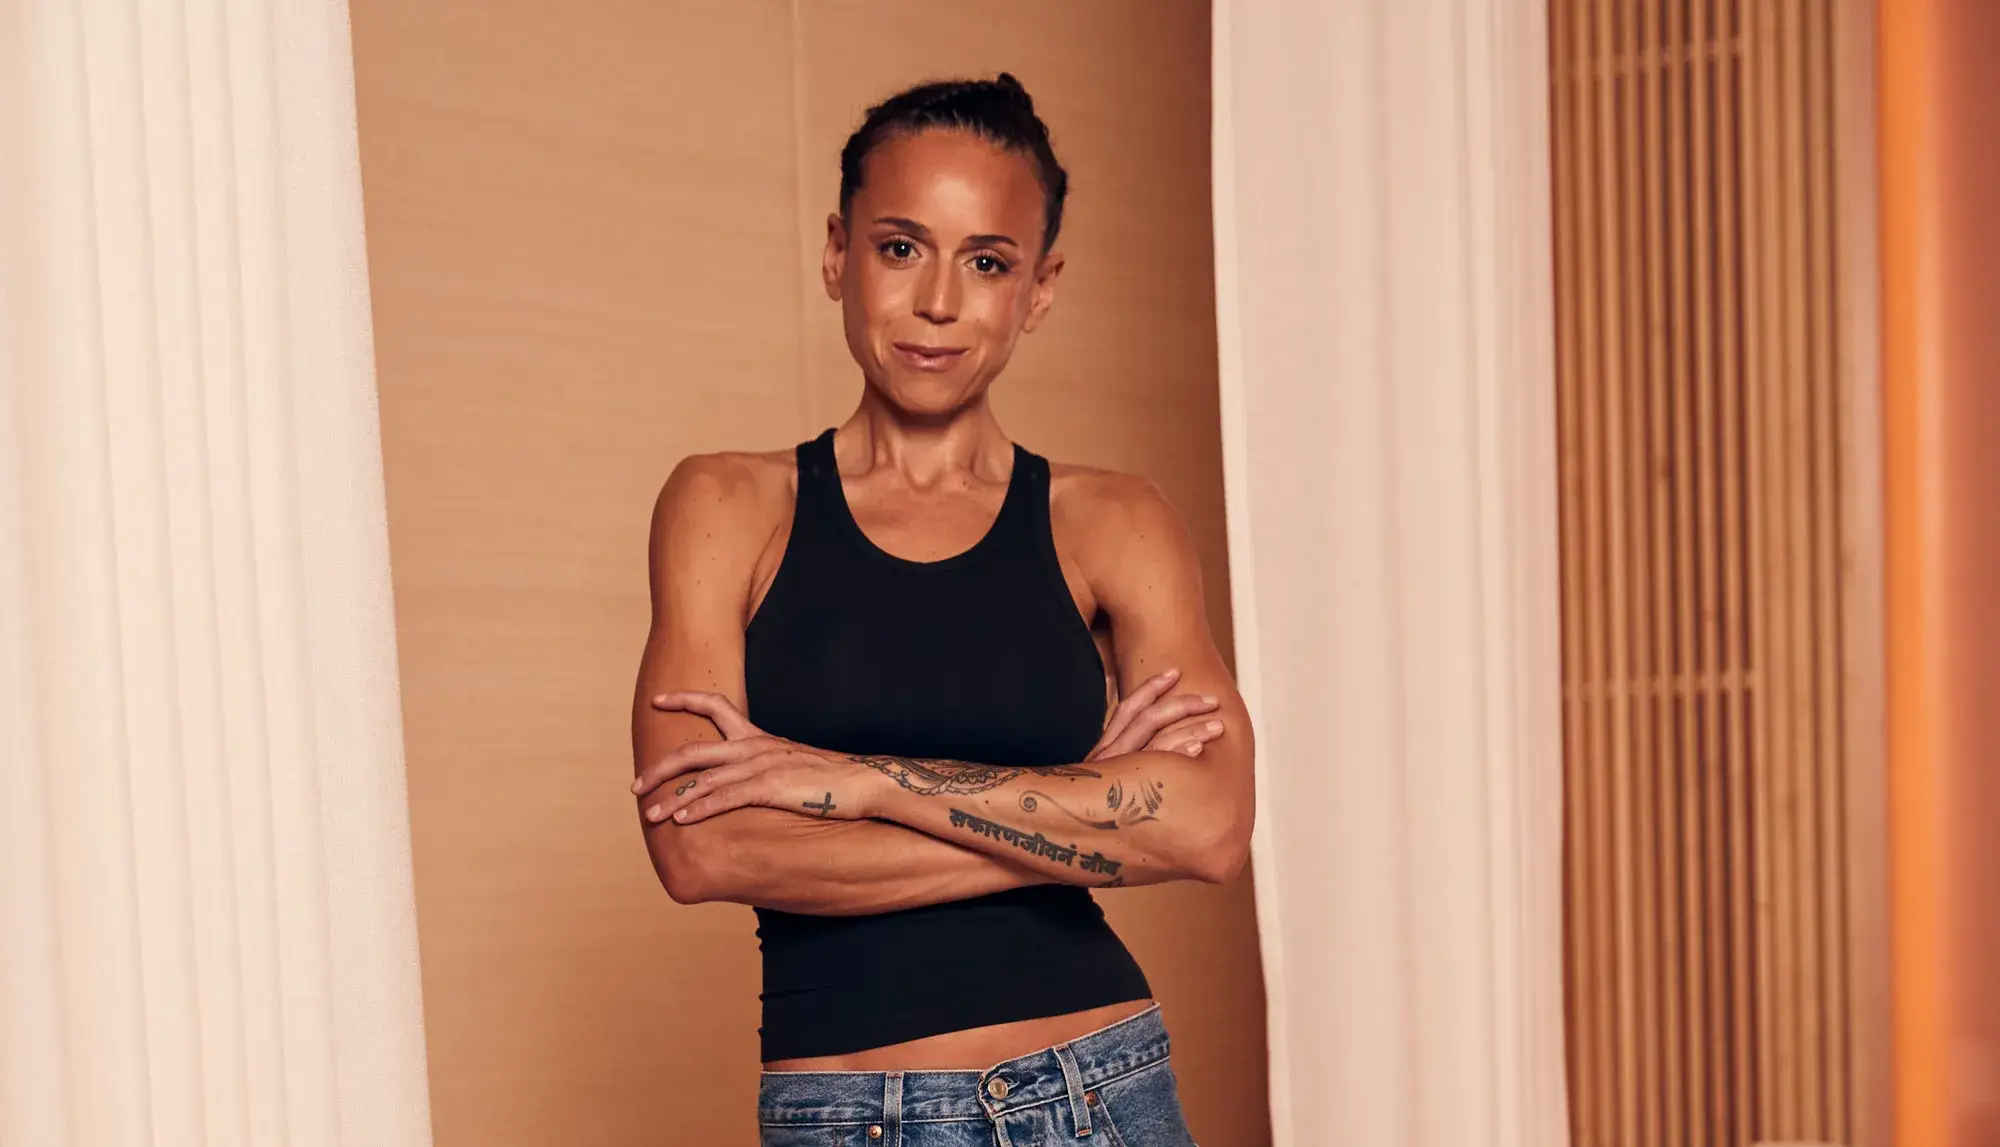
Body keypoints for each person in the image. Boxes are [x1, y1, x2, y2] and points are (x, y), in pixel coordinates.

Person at [629, 73, 1254, 1147]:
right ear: (838, 253)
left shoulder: (1111, 520)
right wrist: (1078, 814)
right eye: (900, 247)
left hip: (1095, 1087)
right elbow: (705, 849)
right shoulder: (728, 504)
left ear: (1039, 289)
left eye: (987, 262)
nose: (937, 303)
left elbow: (1207, 826)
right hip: (847, 1113)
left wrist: (858, 782)